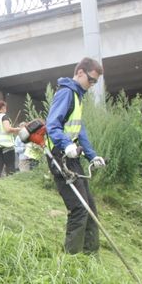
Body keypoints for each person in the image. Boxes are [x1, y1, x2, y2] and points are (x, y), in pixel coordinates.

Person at [45, 57, 107, 255]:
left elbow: (80, 130)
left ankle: (91, 258)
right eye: (91, 80)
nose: (92, 85)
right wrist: (67, 145)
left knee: (89, 208)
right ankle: (70, 262)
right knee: (79, 208)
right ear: (80, 73)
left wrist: (92, 156)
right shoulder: (66, 93)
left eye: (95, 82)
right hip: (59, 156)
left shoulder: (78, 96)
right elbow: (52, 125)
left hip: (71, 156)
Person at [0, 100, 20, 178]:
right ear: (3, 107)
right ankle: (11, 184)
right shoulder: (4, 116)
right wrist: (18, 129)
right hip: (6, 145)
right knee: (10, 166)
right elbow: (7, 129)